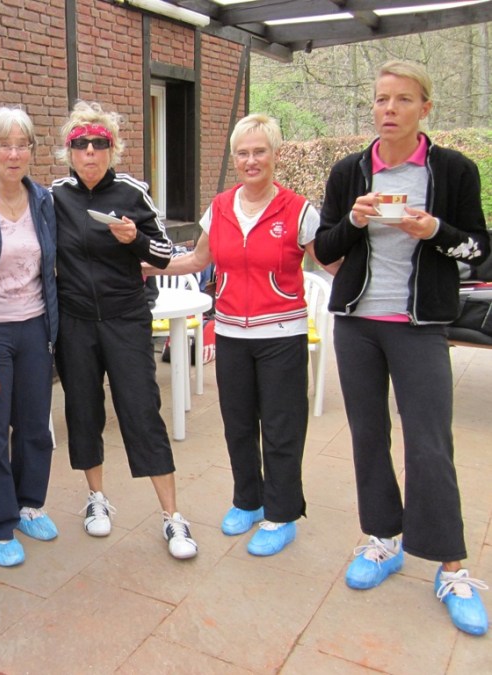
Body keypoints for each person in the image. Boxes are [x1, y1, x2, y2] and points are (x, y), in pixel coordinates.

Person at [316, 60, 489, 636]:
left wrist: (434, 231)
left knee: (430, 443)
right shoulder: (349, 171)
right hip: (357, 324)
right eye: (381, 99)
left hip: (420, 326)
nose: (389, 109)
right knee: (368, 437)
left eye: (403, 99)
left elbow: (479, 250)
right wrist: (355, 220)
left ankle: (451, 567)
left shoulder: (453, 170)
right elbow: (324, 249)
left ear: (425, 108)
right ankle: (382, 539)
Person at [146, 113, 334, 557]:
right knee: (238, 425)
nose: (251, 161)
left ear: (276, 155)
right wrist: (144, 266)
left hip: (282, 335)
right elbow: (197, 261)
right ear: (234, 158)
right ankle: (248, 501)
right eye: (243, 153)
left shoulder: (299, 210)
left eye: (259, 151)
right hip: (232, 333)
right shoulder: (220, 207)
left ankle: (282, 515)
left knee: (282, 429)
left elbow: (331, 261)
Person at [51, 100, 197, 560]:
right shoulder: (55, 197)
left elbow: (165, 253)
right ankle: (96, 497)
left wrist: (136, 239)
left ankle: (172, 515)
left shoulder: (132, 193)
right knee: (83, 410)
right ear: (69, 151)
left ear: (112, 149)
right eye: (81, 145)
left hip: (125, 319)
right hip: (76, 323)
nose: (90, 153)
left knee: (141, 410)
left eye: (99, 144)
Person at [0, 106, 58, 567]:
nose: (14, 154)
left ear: (32, 151)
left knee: (35, 423)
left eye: (22, 145)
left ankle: (29, 504)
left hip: (36, 323)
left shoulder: (43, 201)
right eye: (4, 144)